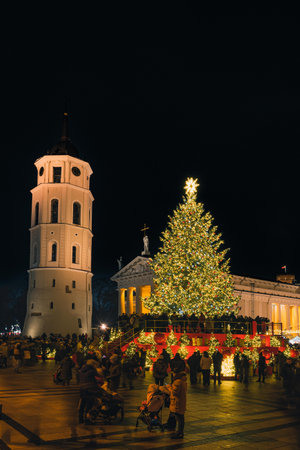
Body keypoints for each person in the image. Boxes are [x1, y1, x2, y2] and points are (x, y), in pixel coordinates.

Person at [161, 370, 187, 439]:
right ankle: (179, 432)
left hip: (177, 402)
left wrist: (169, 387)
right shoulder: (183, 381)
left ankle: (179, 433)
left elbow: (174, 392)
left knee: (179, 418)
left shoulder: (177, 382)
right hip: (181, 401)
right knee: (180, 418)